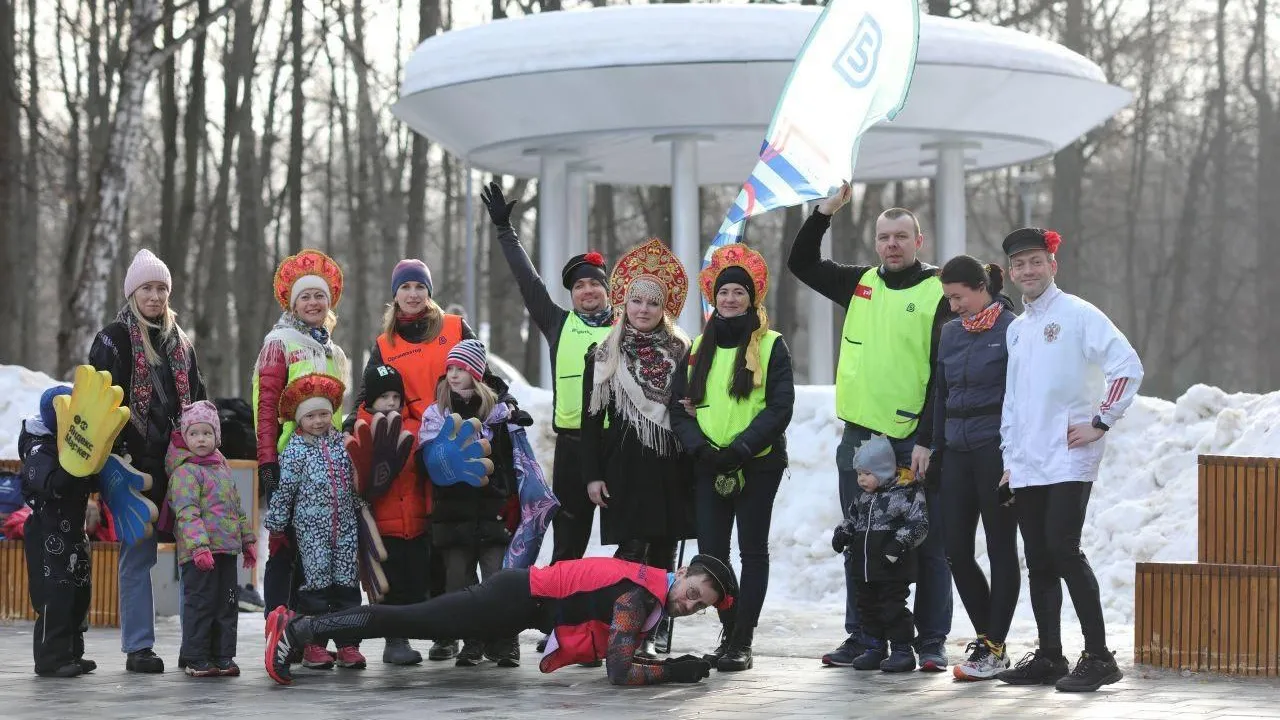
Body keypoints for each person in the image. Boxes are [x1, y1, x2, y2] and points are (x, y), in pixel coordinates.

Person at [788, 182, 953, 670]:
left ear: (918, 241)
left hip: (913, 441)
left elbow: (944, 374)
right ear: (876, 243)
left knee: (926, 544)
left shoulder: (938, 288)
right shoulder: (860, 282)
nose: (892, 245)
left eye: (902, 236)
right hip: (861, 437)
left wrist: (928, 436)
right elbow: (801, 263)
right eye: (885, 237)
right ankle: (864, 637)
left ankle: (930, 642)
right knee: (860, 541)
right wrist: (823, 213)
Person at [994, 228, 1143, 692]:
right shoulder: (1016, 329)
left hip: (1069, 455)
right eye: (1019, 265)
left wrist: (1101, 420)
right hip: (1029, 461)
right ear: (1012, 273)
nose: (1028, 271)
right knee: (1038, 559)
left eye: (1036, 261)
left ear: (1052, 265)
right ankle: (1050, 656)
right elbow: (1013, 401)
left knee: (1063, 549)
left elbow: (1127, 365)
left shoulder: (1079, 314)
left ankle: (1099, 657)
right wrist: (1009, 457)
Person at [264, 554, 739, 687]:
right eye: (693, 593)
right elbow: (619, 671)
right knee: (410, 618)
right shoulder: (638, 596)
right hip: (511, 599)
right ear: (681, 574)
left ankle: (301, 626)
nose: (688, 605)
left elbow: (623, 654)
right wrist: (677, 671)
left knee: (414, 618)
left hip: (518, 606)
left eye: (698, 607)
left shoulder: (648, 587)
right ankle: (300, 629)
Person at [669, 243, 794, 672]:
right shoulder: (696, 347)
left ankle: (743, 638)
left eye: (739, 292)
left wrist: (740, 447)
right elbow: (678, 407)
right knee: (712, 554)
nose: (730, 299)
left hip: (757, 463)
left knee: (752, 551)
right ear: (713, 297)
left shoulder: (772, 345)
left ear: (752, 297)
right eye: (723, 292)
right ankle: (727, 630)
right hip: (708, 465)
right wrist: (702, 449)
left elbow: (780, 407)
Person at [346, 257, 478, 662]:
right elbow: (370, 391)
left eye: (420, 286)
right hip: (407, 447)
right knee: (410, 541)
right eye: (405, 287)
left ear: (429, 291)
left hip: (451, 442)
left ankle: (446, 630)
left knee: (448, 543)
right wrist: (354, 421)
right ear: (395, 294)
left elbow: (480, 371)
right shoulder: (385, 344)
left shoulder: (454, 328)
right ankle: (399, 632)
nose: (413, 294)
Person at [483, 181, 614, 567]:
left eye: (594, 283)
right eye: (579, 286)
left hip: (619, 444)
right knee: (568, 541)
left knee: (632, 534)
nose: (587, 291)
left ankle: (628, 616)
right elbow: (529, 283)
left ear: (607, 289)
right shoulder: (559, 324)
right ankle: (563, 622)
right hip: (573, 446)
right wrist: (505, 232)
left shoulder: (628, 326)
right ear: (571, 294)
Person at [89, 248, 207, 674]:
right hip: (130, 462)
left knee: (196, 552)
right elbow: (95, 402)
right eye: (147, 288)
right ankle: (139, 647)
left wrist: (205, 451)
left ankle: (198, 644)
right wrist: (110, 460)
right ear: (132, 292)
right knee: (138, 554)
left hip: (181, 463)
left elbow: (200, 401)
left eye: (161, 288)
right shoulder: (113, 339)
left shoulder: (182, 343)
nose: (155, 296)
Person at [582, 238, 696, 658]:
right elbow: (590, 422)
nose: (644, 310)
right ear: (623, 303)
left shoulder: (682, 351)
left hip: (670, 464)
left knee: (664, 552)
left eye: (652, 303)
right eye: (636, 301)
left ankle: (659, 626)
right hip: (625, 466)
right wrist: (592, 474)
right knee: (631, 553)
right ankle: (622, 625)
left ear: (663, 307)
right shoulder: (603, 353)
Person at [932, 256, 1020, 681]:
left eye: (957, 296)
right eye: (947, 298)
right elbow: (940, 394)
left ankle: (993, 644)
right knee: (956, 551)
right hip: (955, 452)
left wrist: (1016, 456)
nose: (952, 306)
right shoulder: (950, 333)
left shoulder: (1012, 329)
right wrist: (932, 448)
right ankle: (990, 642)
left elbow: (1023, 396)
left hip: (996, 452)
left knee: (1001, 548)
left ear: (980, 288)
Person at [253, 249, 349, 630]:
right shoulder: (280, 343)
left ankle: (313, 633)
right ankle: (279, 626)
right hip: (290, 464)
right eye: (305, 296)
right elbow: (265, 406)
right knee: (284, 549)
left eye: (319, 296)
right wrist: (266, 462)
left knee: (319, 555)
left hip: (325, 470)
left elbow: (336, 412)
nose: (313, 302)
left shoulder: (333, 352)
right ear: (293, 302)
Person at [419, 340, 523, 668]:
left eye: (461, 369)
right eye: (449, 368)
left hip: (491, 511)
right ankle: (472, 641)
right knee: (459, 581)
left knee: (497, 578)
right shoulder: (436, 414)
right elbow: (425, 463)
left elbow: (508, 463)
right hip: (453, 512)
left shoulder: (497, 414)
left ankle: (505, 642)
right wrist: (438, 458)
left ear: (476, 373)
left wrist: (509, 496)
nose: (453, 375)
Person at [264, 373, 365, 672]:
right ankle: (314, 645)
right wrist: (278, 523)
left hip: (344, 528)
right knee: (316, 587)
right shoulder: (295, 450)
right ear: (299, 418)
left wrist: (362, 507)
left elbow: (354, 481)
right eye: (311, 416)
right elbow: (285, 490)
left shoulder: (342, 444)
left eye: (324, 414)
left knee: (347, 584)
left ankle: (348, 644)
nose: (319, 421)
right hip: (312, 532)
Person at [165, 400, 257, 678]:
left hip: (226, 550)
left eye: (206, 433)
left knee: (226, 604)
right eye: (194, 434)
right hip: (199, 555)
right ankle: (197, 656)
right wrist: (198, 547)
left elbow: (235, 507)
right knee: (201, 603)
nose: (201, 439)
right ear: (185, 437)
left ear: (216, 436)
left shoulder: (221, 466)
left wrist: (247, 540)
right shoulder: (185, 471)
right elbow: (187, 513)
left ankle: (223, 655)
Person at [351, 362, 430, 666]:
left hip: (414, 518)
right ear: (370, 399)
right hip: (383, 525)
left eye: (396, 397)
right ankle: (394, 641)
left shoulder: (414, 427)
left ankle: (410, 634)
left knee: (414, 580)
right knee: (389, 586)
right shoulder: (360, 427)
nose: (391, 402)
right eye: (384, 396)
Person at [830, 435, 928, 672]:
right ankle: (874, 647)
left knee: (892, 607)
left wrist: (897, 545)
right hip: (865, 568)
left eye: (867, 473)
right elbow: (851, 519)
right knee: (867, 608)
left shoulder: (904, 494)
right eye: (859, 474)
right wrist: (842, 533)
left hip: (891, 567)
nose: (861, 479)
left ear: (883, 470)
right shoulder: (863, 498)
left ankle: (902, 650)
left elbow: (919, 523)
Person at [19, 387, 95, 678]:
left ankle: (72, 652)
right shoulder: (39, 446)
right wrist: (74, 463)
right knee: (55, 594)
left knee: (78, 592)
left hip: (73, 532)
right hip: (47, 532)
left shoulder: (71, 442)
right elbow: (50, 483)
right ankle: (51, 658)